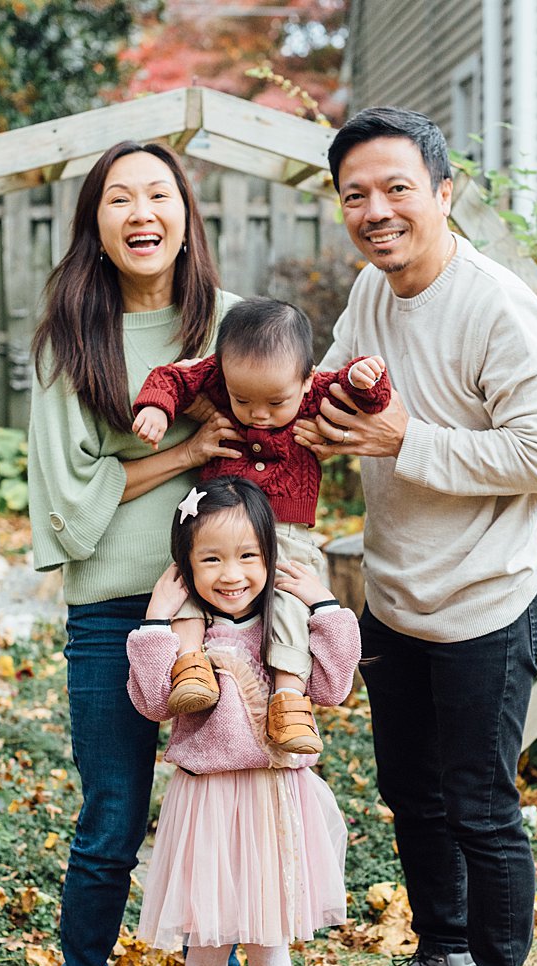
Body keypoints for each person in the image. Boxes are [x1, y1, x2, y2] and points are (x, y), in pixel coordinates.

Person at [289, 106, 537, 966]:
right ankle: (442, 961)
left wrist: (402, 439)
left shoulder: (497, 308)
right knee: (410, 792)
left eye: (396, 188)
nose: (376, 210)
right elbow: (331, 387)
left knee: (482, 809)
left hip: (486, 604)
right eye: (356, 195)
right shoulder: (372, 292)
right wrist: (314, 416)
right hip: (394, 595)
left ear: (444, 193)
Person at [28, 140, 249, 966]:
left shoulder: (231, 323)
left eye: (158, 193)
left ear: (186, 215)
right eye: (119, 199)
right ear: (98, 227)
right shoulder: (73, 339)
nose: (141, 211)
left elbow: (274, 438)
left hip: (223, 609)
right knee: (113, 817)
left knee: (223, 799)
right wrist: (190, 453)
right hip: (113, 609)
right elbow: (69, 503)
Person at [125, 477, 353, 966]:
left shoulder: (281, 627)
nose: (233, 574)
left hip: (274, 797)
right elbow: (150, 702)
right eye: (213, 559)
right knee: (208, 940)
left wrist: (326, 606)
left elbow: (333, 688)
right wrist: (153, 620)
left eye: (250, 556)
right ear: (186, 565)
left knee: (269, 939)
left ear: (271, 556)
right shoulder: (180, 635)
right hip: (208, 803)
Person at [132, 297, 391, 756]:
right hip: (218, 522)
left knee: (291, 597)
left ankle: (288, 697)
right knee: (188, 580)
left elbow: (364, 398)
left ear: (307, 379)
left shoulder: (314, 391)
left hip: (286, 531)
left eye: (275, 402)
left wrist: (363, 379)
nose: (259, 414)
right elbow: (172, 376)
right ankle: (190, 665)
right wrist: (158, 407)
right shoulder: (216, 374)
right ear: (224, 376)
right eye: (242, 400)